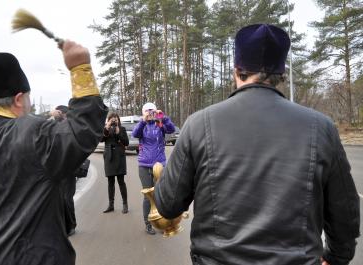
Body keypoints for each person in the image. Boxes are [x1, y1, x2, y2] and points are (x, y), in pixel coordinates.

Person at [154, 24, 360, 265]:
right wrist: (336, 257)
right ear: (281, 74)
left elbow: (168, 206)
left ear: (237, 70)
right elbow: (344, 213)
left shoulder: (199, 124)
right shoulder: (322, 127)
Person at [0, 40, 108, 265]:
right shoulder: (33, 133)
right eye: (29, 99)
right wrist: (81, 69)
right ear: (19, 99)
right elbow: (84, 130)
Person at [132, 102, 175, 235]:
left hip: (159, 165)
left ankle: (162, 223)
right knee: (148, 197)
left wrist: (164, 118)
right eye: (148, 112)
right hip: (144, 166)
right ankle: (148, 224)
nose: (150, 114)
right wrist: (143, 121)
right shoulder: (142, 125)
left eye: (152, 112)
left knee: (160, 196)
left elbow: (171, 129)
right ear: (143, 113)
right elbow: (135, 134)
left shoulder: (159, 124)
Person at [49, 105, 79, 237]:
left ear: (62, 113)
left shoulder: (70, 125)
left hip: (69, 169)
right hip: (57, 169)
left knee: (67, 198)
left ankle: (71, 226)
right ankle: (64, 226)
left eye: (58, 113)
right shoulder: (57, 124)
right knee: (60, 199)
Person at [101, 112, 129, 214]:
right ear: (108, 120)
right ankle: (111, 205)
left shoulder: (122, 129)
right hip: (109, 157)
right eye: (111, 119)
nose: (114, 120)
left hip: (119, 157)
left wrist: (119, 133)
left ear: (118, 120)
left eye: (115, 118)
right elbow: (101, 139)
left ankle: (125, 204)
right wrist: (107, 127)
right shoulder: (106, 129)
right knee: (110, 182)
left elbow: (126, 142)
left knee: (121, 181)